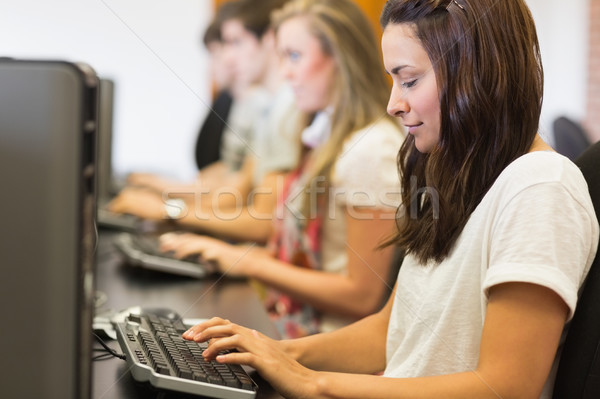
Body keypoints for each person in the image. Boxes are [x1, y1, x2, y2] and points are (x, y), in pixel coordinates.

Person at [176, 0, 599, 397]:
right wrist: (274, 352)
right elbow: (389, 329)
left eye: (410, 80)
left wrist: (314, 384)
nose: (394, 103)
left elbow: (504, 386)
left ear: (478, 72)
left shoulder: (541, 186)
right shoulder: (457, 176)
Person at [161, 0, 404, 338]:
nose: (285, 73)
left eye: (294, 56)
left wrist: (248, 262)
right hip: (294, 323)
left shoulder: (371, 149)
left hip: (326, 344)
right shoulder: (323, 133)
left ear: (340, 57)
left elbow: (361, 296)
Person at [110, 0, 303, 243]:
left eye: (236, 42)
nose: (227, 58)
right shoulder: (271, 108)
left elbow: (264, 219)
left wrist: (170, 209)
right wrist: (167, 196)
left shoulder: (285, 107)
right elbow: (237, 182)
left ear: (269, 39)